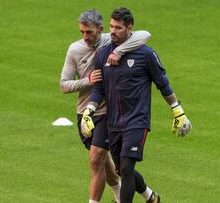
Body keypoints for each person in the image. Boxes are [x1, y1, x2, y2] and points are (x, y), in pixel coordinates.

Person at [81, 7, 192, 203]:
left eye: (118, 28)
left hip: (137, 121)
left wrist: (178, 111)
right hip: (113, 123)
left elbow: (162, 84)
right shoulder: (102, 55)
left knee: (126, 168)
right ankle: (151, 197)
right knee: (121, 170)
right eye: (111, 26)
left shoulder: (146, 55)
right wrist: (89, 112)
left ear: (129, 29)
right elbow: (99, 89)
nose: (113, 31)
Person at [60, 9, 152, 203]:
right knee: (109, 164)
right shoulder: (74, 50)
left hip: (109, 112)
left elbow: (144, 35)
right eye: (82, 32)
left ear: (99, 30)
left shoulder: (110, 41)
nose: (85, 37)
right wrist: (87, 81)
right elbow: (64, 85)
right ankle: (147, 195)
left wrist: (119, 51)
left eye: (89, 32)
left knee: (96, 158)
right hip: (85, 110)